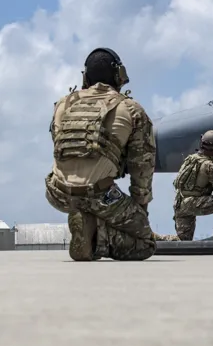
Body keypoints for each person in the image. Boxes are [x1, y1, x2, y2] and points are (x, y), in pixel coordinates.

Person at [45, 47, 159, 261]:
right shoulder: (131, 109)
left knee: (92, 201)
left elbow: (60, 148)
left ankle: (84, 220)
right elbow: (141, 168)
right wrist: (139, 212)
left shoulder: (63, 104)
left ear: (85, 76)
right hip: (98, 196)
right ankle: (95, 234)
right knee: (145, 244)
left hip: (58, 194)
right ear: (119, 76)